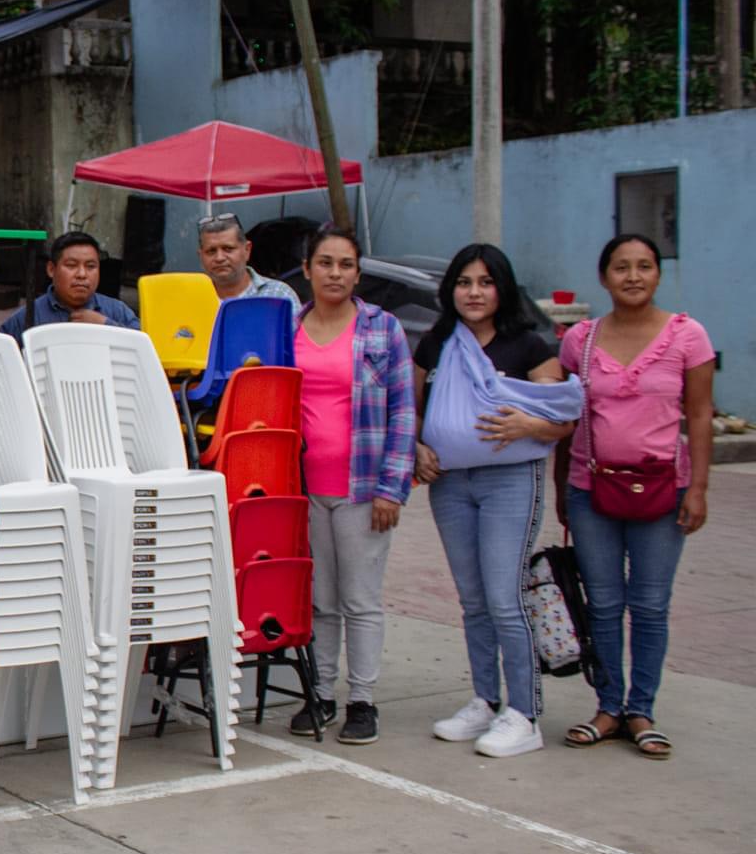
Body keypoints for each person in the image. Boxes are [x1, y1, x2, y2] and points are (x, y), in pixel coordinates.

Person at [413, 244, 577, 758]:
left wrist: (529, 424)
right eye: (464, 282)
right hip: (452, 484)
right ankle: (486, 699)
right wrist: (416, 448)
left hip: (509, 482)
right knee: (473, 600)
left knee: (506, 598)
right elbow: (415, 410)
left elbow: (563, 416)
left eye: (485, 282)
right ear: (451, 289)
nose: (474, 292)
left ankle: (524, 715)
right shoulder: (438, 344)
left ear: (502, 288)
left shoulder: (527, 346)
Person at [554, 234, 712, 760]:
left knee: (649, 606)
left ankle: (641, 708)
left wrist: (701, 489)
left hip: (666, 490)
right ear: (604, 277)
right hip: (590, 486)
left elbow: (700, 414)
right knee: (602, 604)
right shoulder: (582, 340)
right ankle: (607, 706)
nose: (633, 276)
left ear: (659, 275)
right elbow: (564, 412)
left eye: (645, 266)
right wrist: (561, 489)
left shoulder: (688, 336)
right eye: (621, 268)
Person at [291, 226, 413, 744]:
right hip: (302, 489)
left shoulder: (382, 329)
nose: (334, 273)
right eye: (325, 263)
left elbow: (404, 411)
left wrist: (392, 488)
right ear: (307, 270)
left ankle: (363, 701)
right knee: (319, 600)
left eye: (345, 264)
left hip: (362, 489)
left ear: (357, 274)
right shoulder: (290, 327)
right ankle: (320, 693)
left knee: (360, 599)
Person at [0, 231, 138, 343]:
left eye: (90, 266)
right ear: (51, 269)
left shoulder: (117, 311)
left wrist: (106, 326)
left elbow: (147, 351)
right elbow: (0, 354)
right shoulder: (29, 316)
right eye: (71, 265)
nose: (82, 274)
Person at [197, 214, 301, 307]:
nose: (219, 258)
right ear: (200, 256)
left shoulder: (279, 295)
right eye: (211, 251)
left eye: (228, 249)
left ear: (247, 250)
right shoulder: (191, 299)